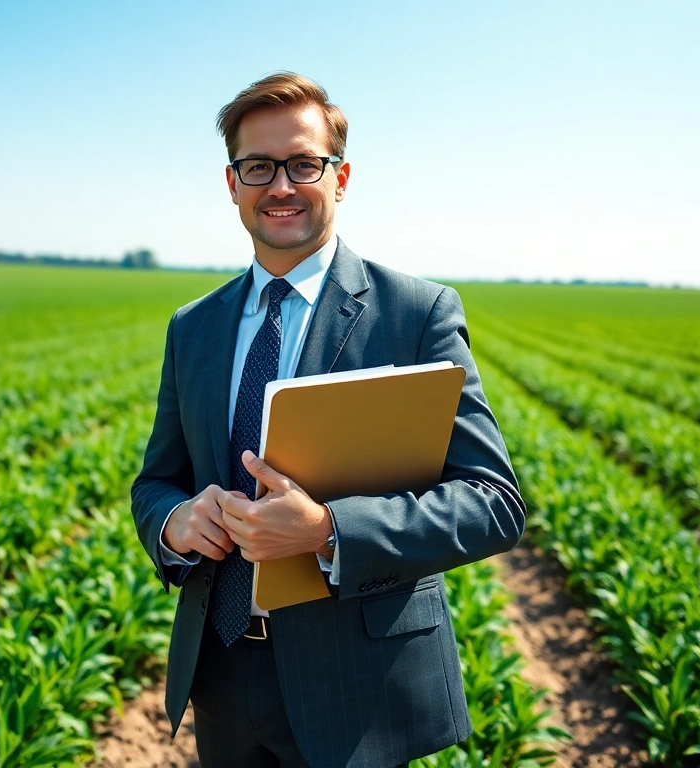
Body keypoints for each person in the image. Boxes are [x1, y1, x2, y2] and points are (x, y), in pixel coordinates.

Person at [130, 72, 525, 768]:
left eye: (303, 163)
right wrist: (175, 522)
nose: (280, 185)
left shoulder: (416, 313)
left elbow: (493, 503)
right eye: (259, 167)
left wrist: (327, 531)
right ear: (232, 184)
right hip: (221, 674)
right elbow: (157, 482)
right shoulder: (192, 327)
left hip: (357, 688)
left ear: (339, 177)